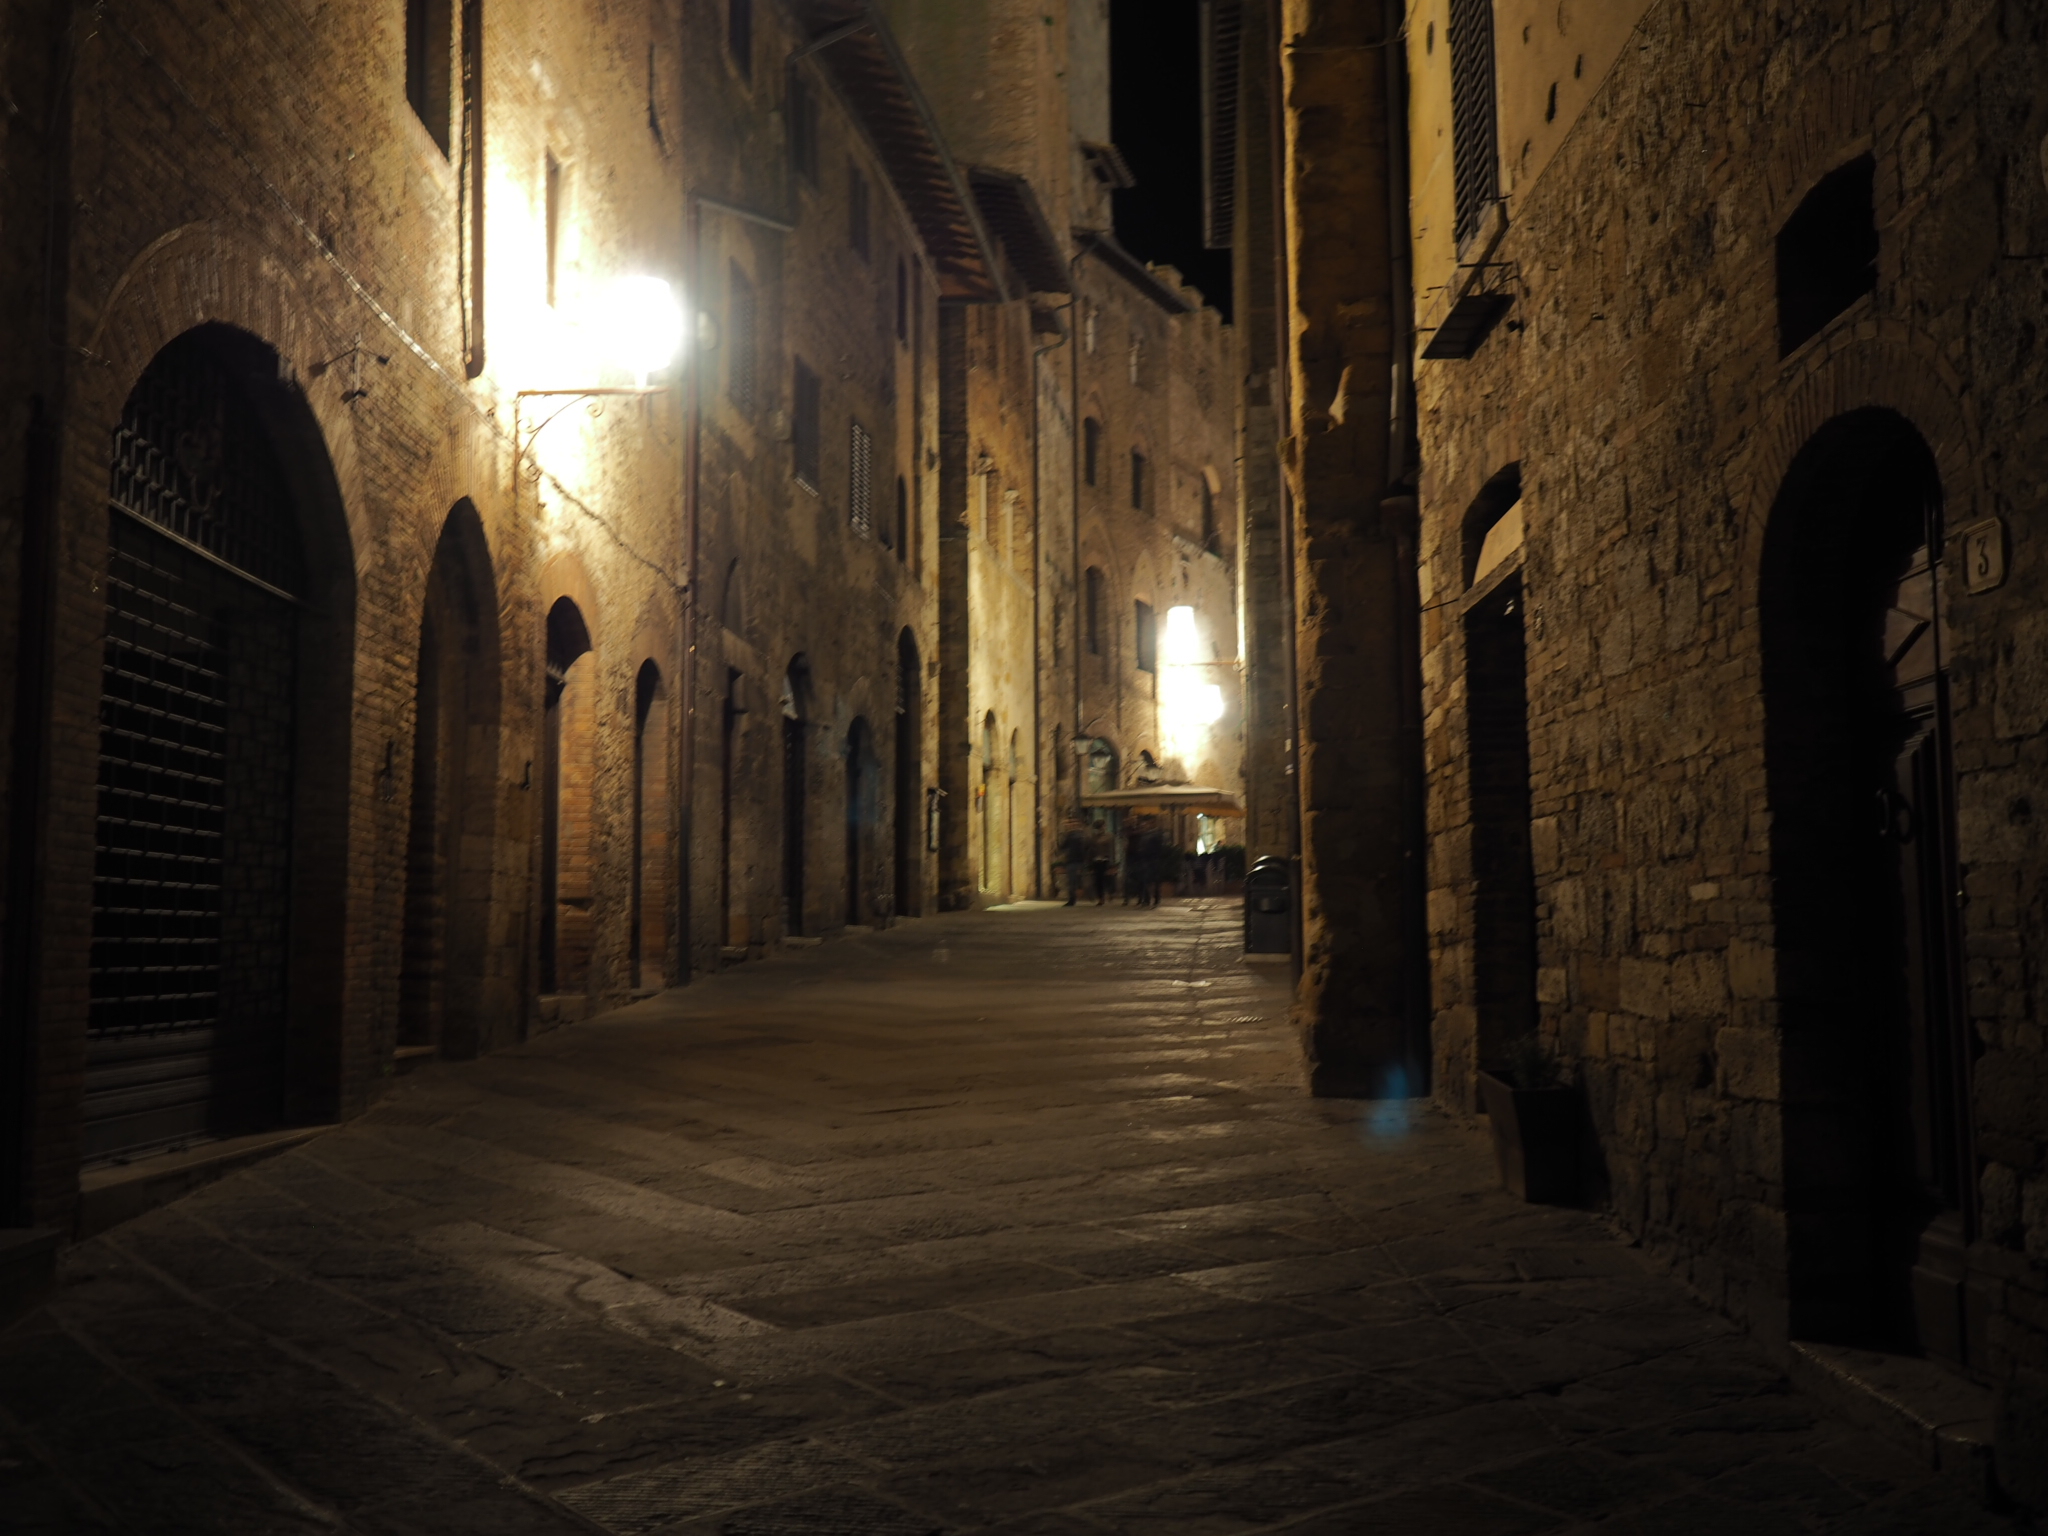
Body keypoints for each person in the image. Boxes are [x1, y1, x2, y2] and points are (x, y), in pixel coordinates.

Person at [1058, 818, 1089, 906]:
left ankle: (1072, 899)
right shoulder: (1083, 836)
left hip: (1072, 861)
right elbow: (1087, 847)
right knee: (1078, 880)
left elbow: (1063, 846)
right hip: (1079, 860)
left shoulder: (1071, 836)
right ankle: (1077, 897)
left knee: (1072, 881)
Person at [1087, 819, 1114, 905]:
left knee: (1107, 879)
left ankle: (1110, 893)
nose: (1102, 828)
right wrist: (1089, 862)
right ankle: (1101, 898)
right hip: (1096, 860)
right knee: (1098, 880)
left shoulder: (1109, 836)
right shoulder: (1093, 837)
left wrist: (1112, 862)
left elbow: (1111, 849)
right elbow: (1090, 850)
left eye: (1103, 826)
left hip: (1105, 860)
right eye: (1101, 827)